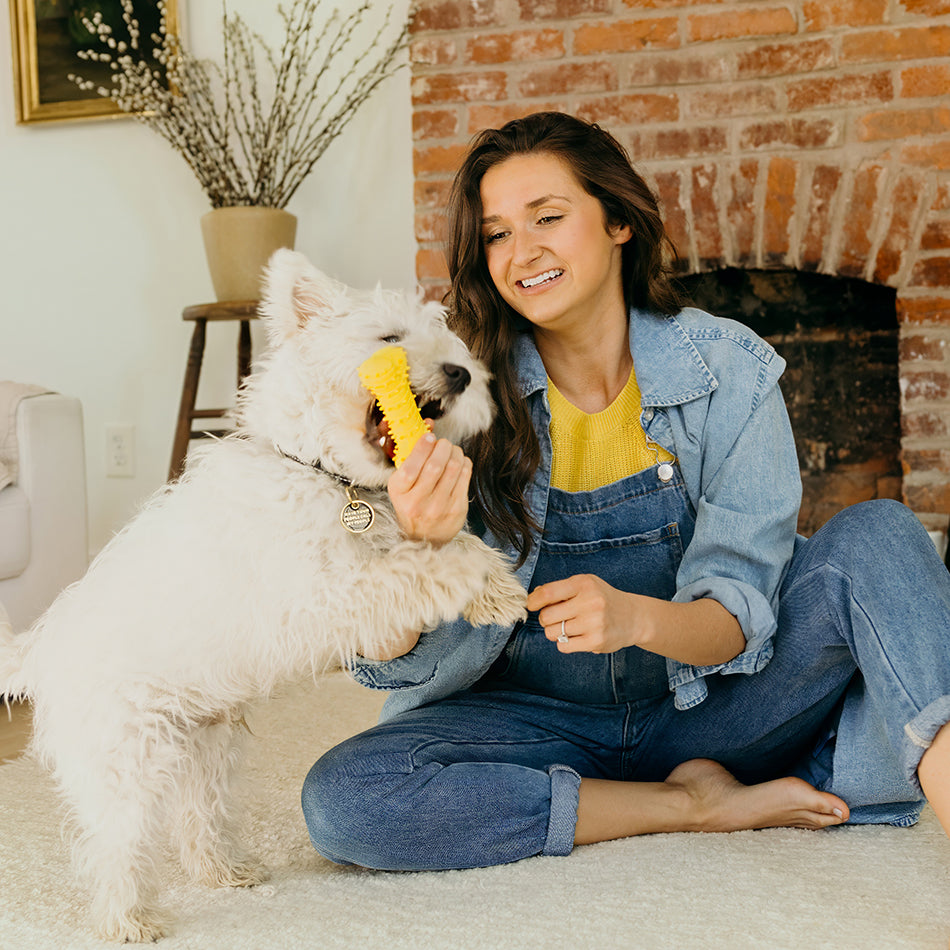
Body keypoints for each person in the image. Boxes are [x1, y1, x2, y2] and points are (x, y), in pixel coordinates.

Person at [301, 112, 950, 870]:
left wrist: (638, 617)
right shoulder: (450, 400)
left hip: (709, 710)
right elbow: (395, 664)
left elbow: (741, 614)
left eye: (548, 217)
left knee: (880, 533)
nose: (523, 251)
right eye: (498, 234)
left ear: (618, 222)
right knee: (346, 797)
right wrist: (416, 549)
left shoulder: (729, 371)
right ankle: (690, 805)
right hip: (536, 724)